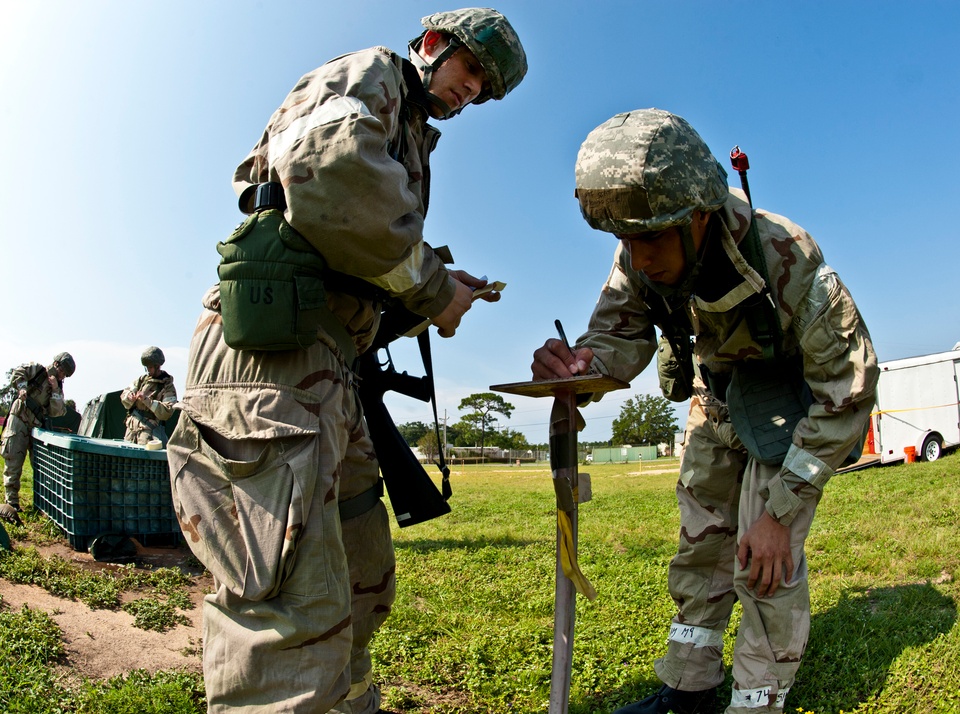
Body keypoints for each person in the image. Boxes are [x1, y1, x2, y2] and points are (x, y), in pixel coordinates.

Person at [167, 9, 526, 713]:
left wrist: (442, 290)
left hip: (330, 364)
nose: (472, 92)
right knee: (284, 602)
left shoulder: (409, 126)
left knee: (363, 574)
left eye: (485, 89)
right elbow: (329, 174)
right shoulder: (374, 73)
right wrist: (432, 287)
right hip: (273, 359)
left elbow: (366, 242)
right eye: (472, 70)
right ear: (432, 44)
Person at [531, 109, 878, 714]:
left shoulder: (783, 254)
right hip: (714, 400)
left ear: (698, 213)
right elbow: (620, 335)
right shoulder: (642, 248)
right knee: (701, 551)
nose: (637, 260)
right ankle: (688, 690)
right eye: (626, 240)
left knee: (762, 562)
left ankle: (756, 700)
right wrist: (580, 368)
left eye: (650, 239)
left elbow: (848, 385)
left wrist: (782, 508)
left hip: (787, 410)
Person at [0, 352, 75, 510]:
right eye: (62, 372)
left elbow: (58, 411)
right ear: (56, 365)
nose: (62, 377)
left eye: (65, 375)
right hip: (19, 418)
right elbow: (18, 372)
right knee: (14, 460)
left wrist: (55, 388)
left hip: (37, 427)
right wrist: (21, 388)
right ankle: (12, 502)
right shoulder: (38, 370)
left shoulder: (58, 388)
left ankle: (42, 504)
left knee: (41, 466)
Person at [120, 346, 177, 445]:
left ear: (157, 366)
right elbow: (124, 394)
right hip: (131, 429)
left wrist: (147, 400)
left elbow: (167, 411)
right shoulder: (141, 380)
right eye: (146, 367)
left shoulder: (167, 386)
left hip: (148, 433)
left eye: (150, 367)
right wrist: (129, 397)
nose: (148, 370)